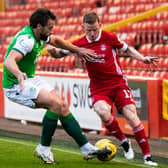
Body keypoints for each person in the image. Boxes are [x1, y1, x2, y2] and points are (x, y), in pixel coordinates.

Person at [2, 8, 110, 164]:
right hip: (15, 85)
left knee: (63, 106)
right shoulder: (27, 40)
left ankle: (86, 147)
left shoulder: (40, 34)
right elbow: (9, 61)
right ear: (39, 26)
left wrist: (77, 50)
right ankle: (43, 148)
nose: (51, 31)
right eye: (50, 28)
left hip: (30, 79)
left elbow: (58, 41)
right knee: (56, 104)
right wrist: (18, 74)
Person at [70, 12, 158, 166]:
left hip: (117, 84)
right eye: (88, 30)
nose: (91, 34)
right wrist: (51, 48)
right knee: (102, 111)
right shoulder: (79, 43)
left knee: (131, 116)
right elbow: (60, 52)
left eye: (94, 30)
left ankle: (147, 157)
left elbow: (128, 49)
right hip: (99, 88)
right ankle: (124, 142)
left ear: (100, 26)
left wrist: (142, 58)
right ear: (83, 27)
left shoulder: (109, 37)